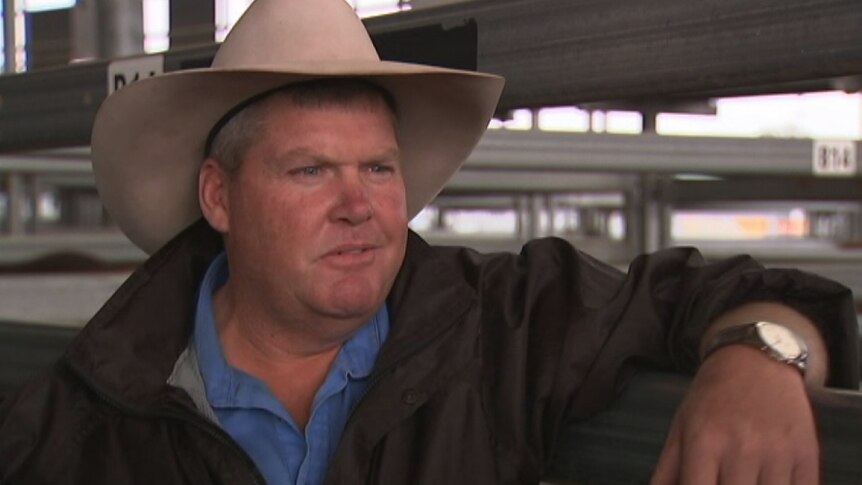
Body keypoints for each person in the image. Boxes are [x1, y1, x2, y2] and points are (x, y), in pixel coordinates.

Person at [0, 0, 858, 483]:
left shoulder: (503, 322)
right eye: (310, 172)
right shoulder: (76, 423)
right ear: (219, 195)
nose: (359, 205)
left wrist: (758, 353)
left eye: (378, 169)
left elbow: (739, 293)